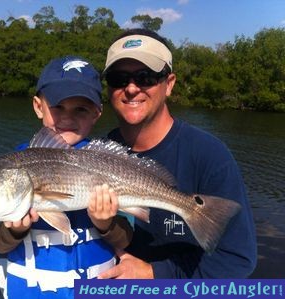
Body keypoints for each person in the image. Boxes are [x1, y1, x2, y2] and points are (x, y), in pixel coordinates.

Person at [97, 28, 257, 279]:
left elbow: (236, 260)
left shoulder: (210, 155)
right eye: (118, 78)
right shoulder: (97, 152)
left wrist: (155, 274)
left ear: (169, 84)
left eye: (145, 77)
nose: (131, 88)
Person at [0, 55, 133, 298]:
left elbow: (125, 239)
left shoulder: (111, 165)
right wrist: (13, 232)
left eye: (81, 109)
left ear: (96, 114)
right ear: (39, 106)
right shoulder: (8, 170)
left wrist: (106, 224)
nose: (67, 117)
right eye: (58, 106)